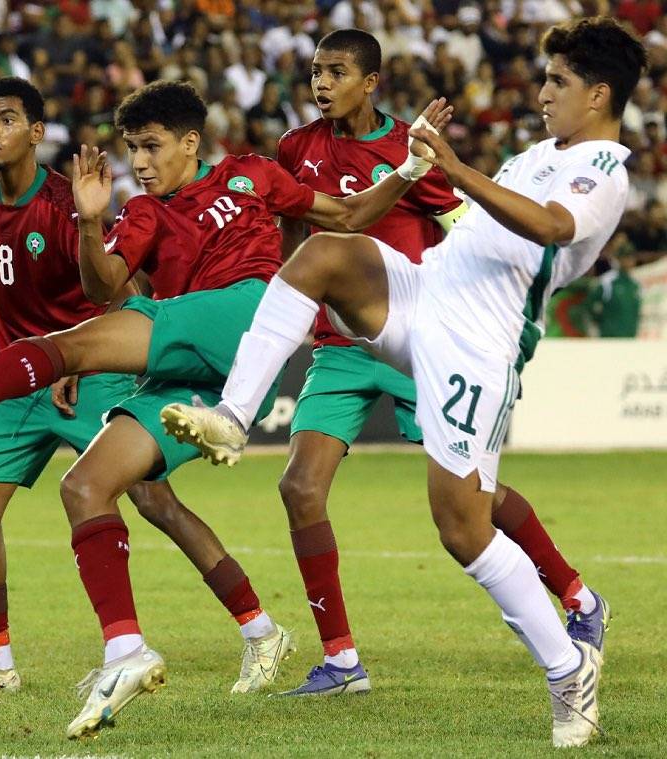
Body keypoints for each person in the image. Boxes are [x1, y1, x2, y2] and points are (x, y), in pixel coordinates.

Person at [0, 80, 450, 737]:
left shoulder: (251, 173)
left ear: (191, 142)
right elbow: (103, 285)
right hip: (186, 367)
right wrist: (88, 218)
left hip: (248, 316)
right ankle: (126, 650)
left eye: (151, 146)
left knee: (65, 347)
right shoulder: (143, 214)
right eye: (132, 147)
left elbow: (348, 215)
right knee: (86, 487)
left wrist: (413, 168)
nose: (139, 161)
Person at [162, 17, 642, 748]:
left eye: (558, 82)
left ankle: (567, 664)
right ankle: (232, 413)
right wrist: (439, 173)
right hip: (425, 293)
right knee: (324, 254)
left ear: (600, 94)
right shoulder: (542, 150)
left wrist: (452, 165)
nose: (543, 93)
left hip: (479, 343)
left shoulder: (604, 167)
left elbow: (549, 226)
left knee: (461, 525)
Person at [0, 77, 285, 699]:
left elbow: (115, 290)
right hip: (15, 377)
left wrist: (93, 360)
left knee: (154, 502)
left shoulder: (66, 202)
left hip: (82, 374)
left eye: (5, 119)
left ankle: (258, 628)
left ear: (36, 132)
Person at [266, 28, 602, 697]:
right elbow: (293, 237)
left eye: (337, 71)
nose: (322, 83)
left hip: (423, 334)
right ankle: (340, 660)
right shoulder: (295, 148)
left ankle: (578, 598)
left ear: (371, 82)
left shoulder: (410, 148)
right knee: (299, 488)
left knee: (472, 499)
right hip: (342, 346)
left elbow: (462, 231)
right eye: (315, 72)